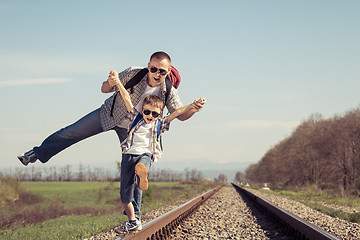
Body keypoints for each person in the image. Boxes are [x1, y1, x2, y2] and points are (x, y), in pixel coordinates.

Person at [17, 51, 204, 166]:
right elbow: (104, 89)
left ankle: (134, 217)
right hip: (109, 114)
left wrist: (193, 109)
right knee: (71, 132)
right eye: (154, 69)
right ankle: (35, 153)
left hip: (132, 130)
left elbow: (179, 115)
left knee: (135, 168)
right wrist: (111, 82)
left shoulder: (167, 90)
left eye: (162, 71)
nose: (157, 74)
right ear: (148, 66)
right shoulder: (133, 73)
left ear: (168, 71)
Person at [112, 72, 206, 233]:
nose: (150, 116)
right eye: (147, 112)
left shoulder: (160, 124)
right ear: (142, 109)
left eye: (155, 114)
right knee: (126, 194)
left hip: (145, 155)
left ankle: (142, 170)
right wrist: (118, 83)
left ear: (160, 114)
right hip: (128, 155)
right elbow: (127, 98)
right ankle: (133, 220)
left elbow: (175, 113)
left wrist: (192, 106)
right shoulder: (136, 117)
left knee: (142, 166)